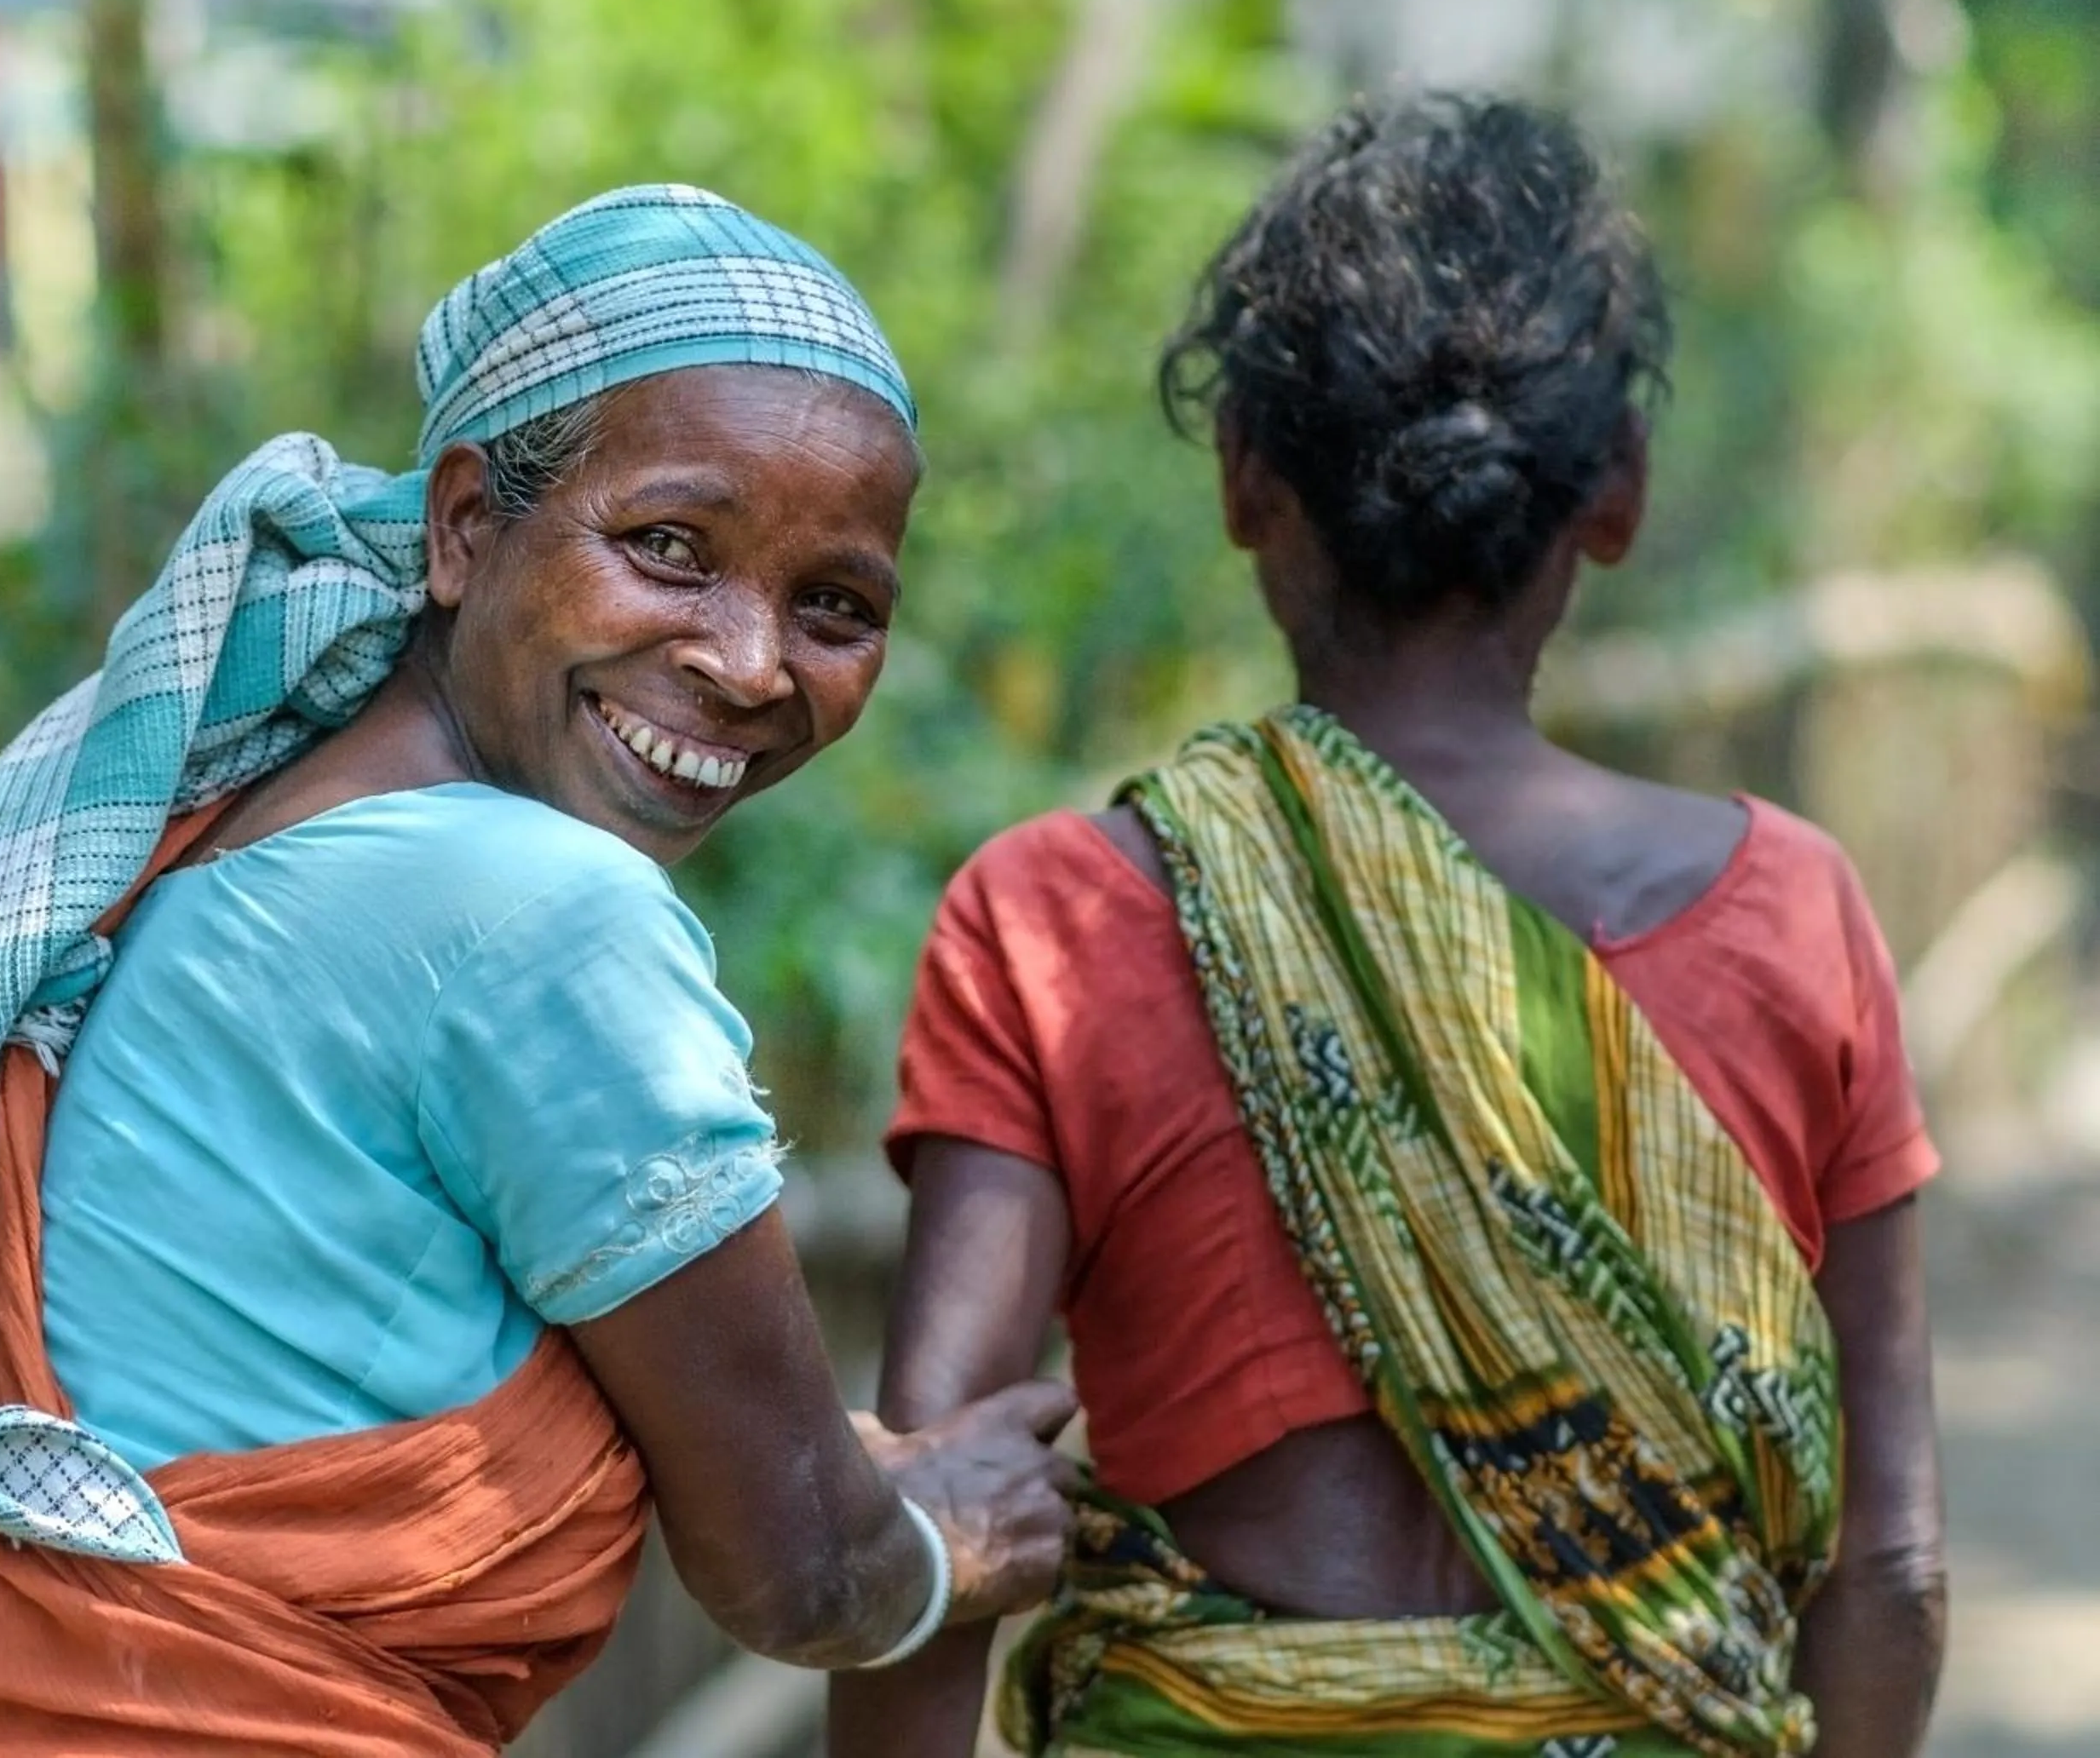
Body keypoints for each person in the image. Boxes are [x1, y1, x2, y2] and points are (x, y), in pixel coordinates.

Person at [0, 185, 1077, 1757]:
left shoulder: (253, 812)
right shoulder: (539, 911)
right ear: (468, 522)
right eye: (670, 548)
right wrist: (956, 1533)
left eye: (835, 607)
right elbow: (802, 1566)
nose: (752, 663)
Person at [830, 98, 1948, 1758]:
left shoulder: (1056, 918)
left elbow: (936, 1511)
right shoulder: (1793, 913)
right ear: (1616, 493)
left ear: (1241, 481)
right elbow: (1897, 1569)